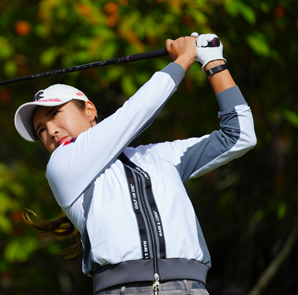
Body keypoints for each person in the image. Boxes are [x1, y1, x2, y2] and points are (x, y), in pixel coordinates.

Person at [14, 34, 257, 295]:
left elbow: (239, 135)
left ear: (90, 110)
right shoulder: (62, 165)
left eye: (55, 114)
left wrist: (213, 62)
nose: (50, 131)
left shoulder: (158, 157)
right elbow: (137, 111)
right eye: (40, 131)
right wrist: (184, 59)